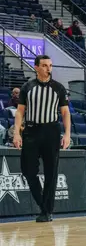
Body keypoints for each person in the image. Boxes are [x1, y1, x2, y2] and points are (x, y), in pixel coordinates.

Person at [14, 55, 71, 222]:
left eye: (50, 65)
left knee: (51, 172)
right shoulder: (28, 87)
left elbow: (65, 112)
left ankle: (47, 211)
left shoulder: (59, 88)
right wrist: (17, 133)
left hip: (51, 131)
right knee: (28, 170)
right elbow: (20, 111)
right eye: (45, 65)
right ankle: (43, 205)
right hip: (31, 130)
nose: (48, 68)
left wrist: (67, 134)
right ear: (36, 67)